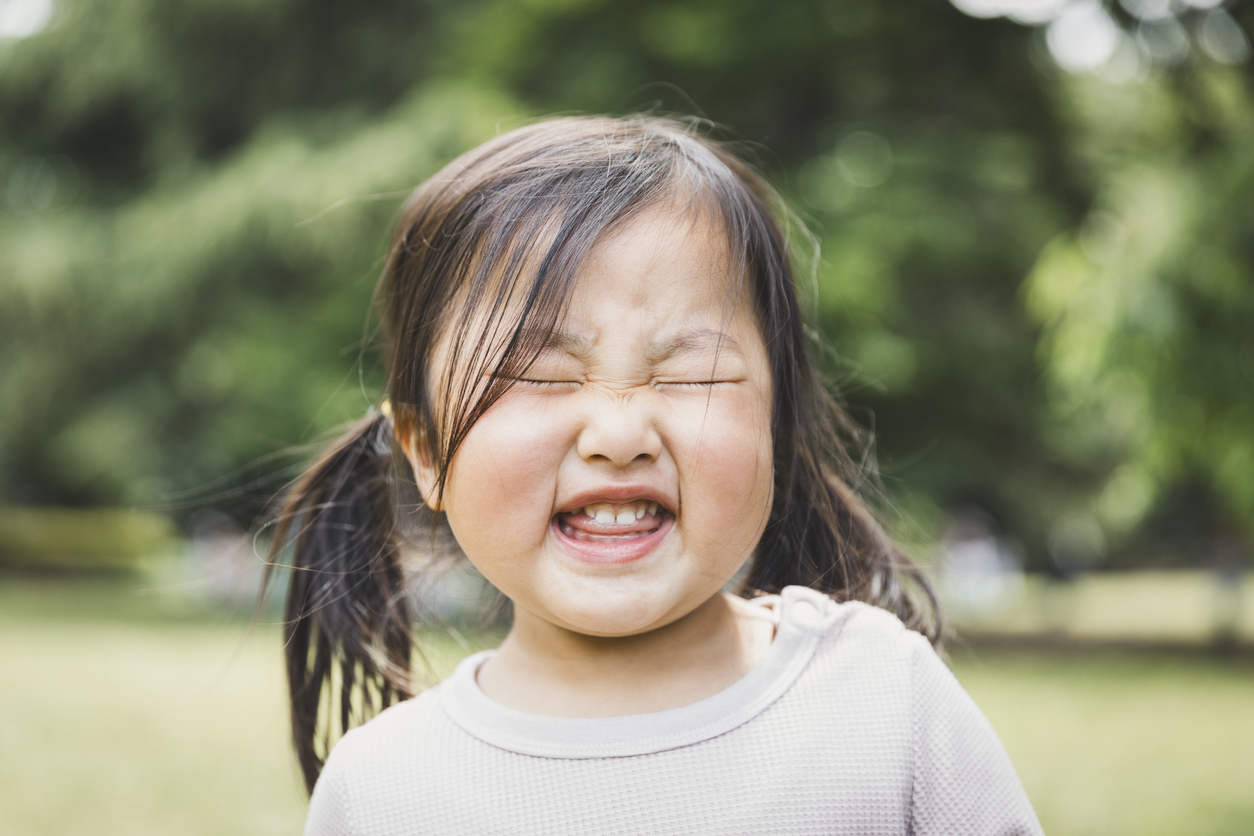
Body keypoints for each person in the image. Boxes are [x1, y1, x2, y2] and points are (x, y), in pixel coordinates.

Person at [267, 115, 1044, 835]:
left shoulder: (883, 703)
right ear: (427, 453)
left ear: (774, 425)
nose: (619, 433)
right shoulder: (384, 791)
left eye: (695, 376)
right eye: (537, 374)